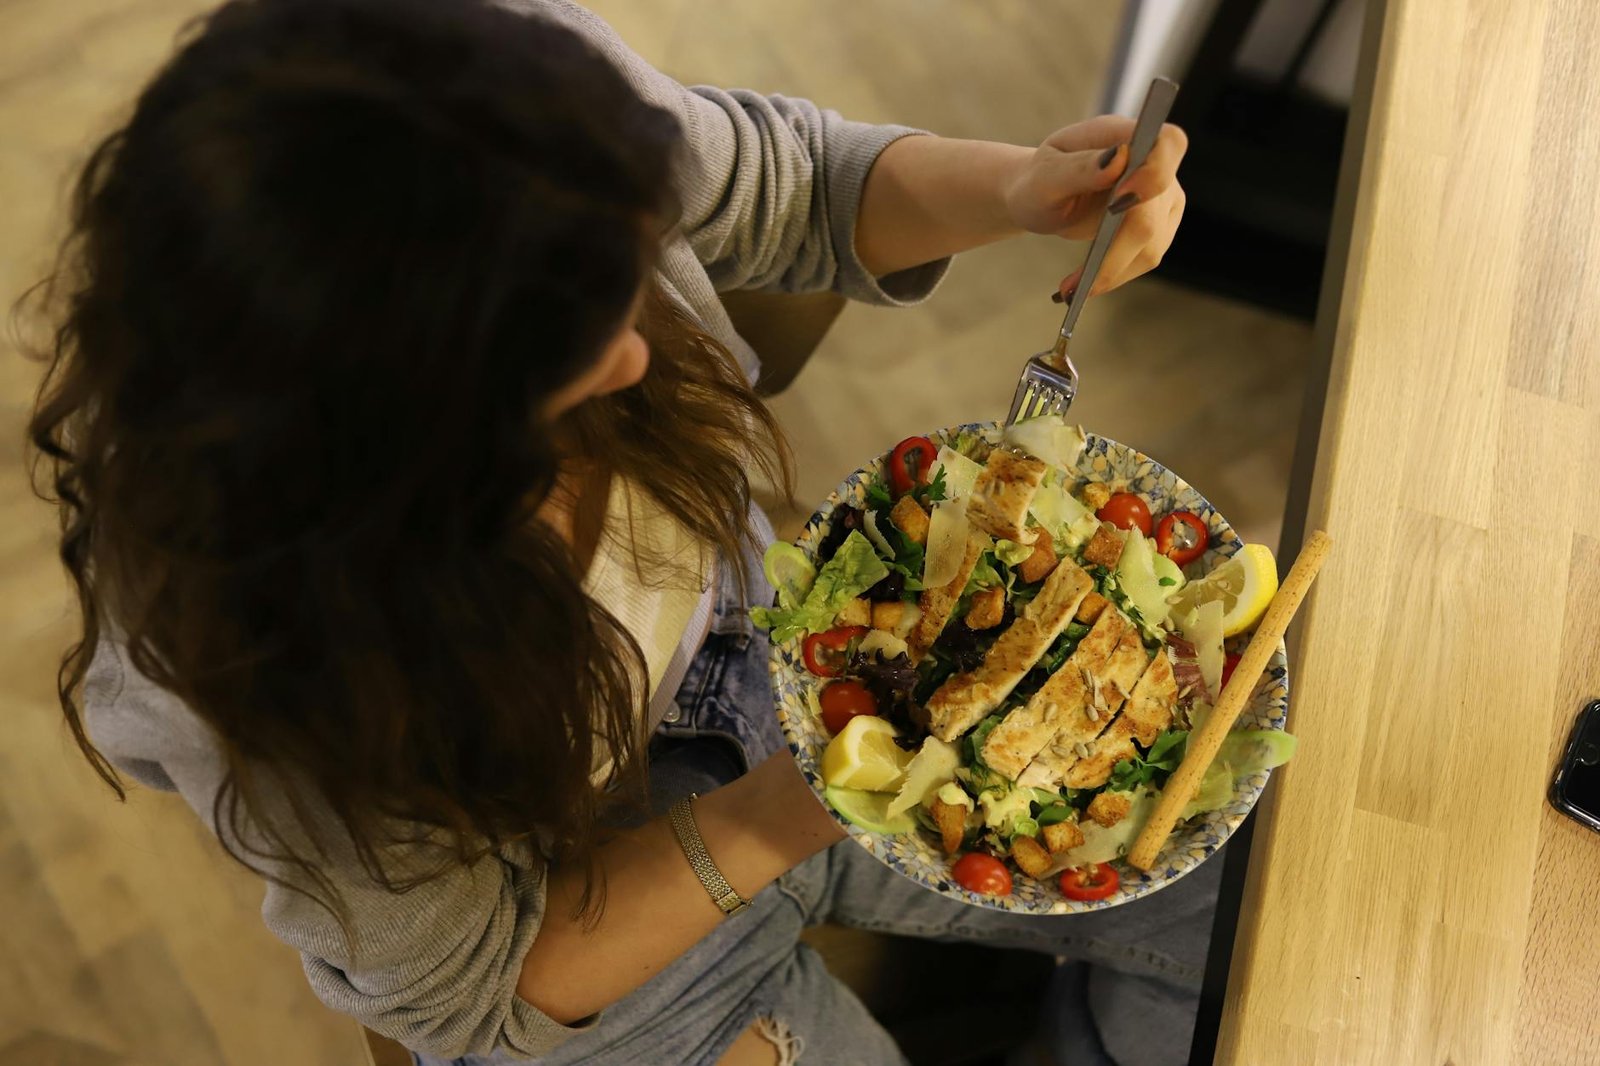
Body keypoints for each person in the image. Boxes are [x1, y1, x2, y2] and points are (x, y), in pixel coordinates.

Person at [26, 1, 1209, 1063]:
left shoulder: (510, 96)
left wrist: (1009, 191)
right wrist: (791, 808)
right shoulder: (269, 667)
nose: (645, 353)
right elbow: (471, 993)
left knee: (1237, 896)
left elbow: (784, 181)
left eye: (628, 274)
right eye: (560, 373)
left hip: (767, 663)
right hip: (574, 894)